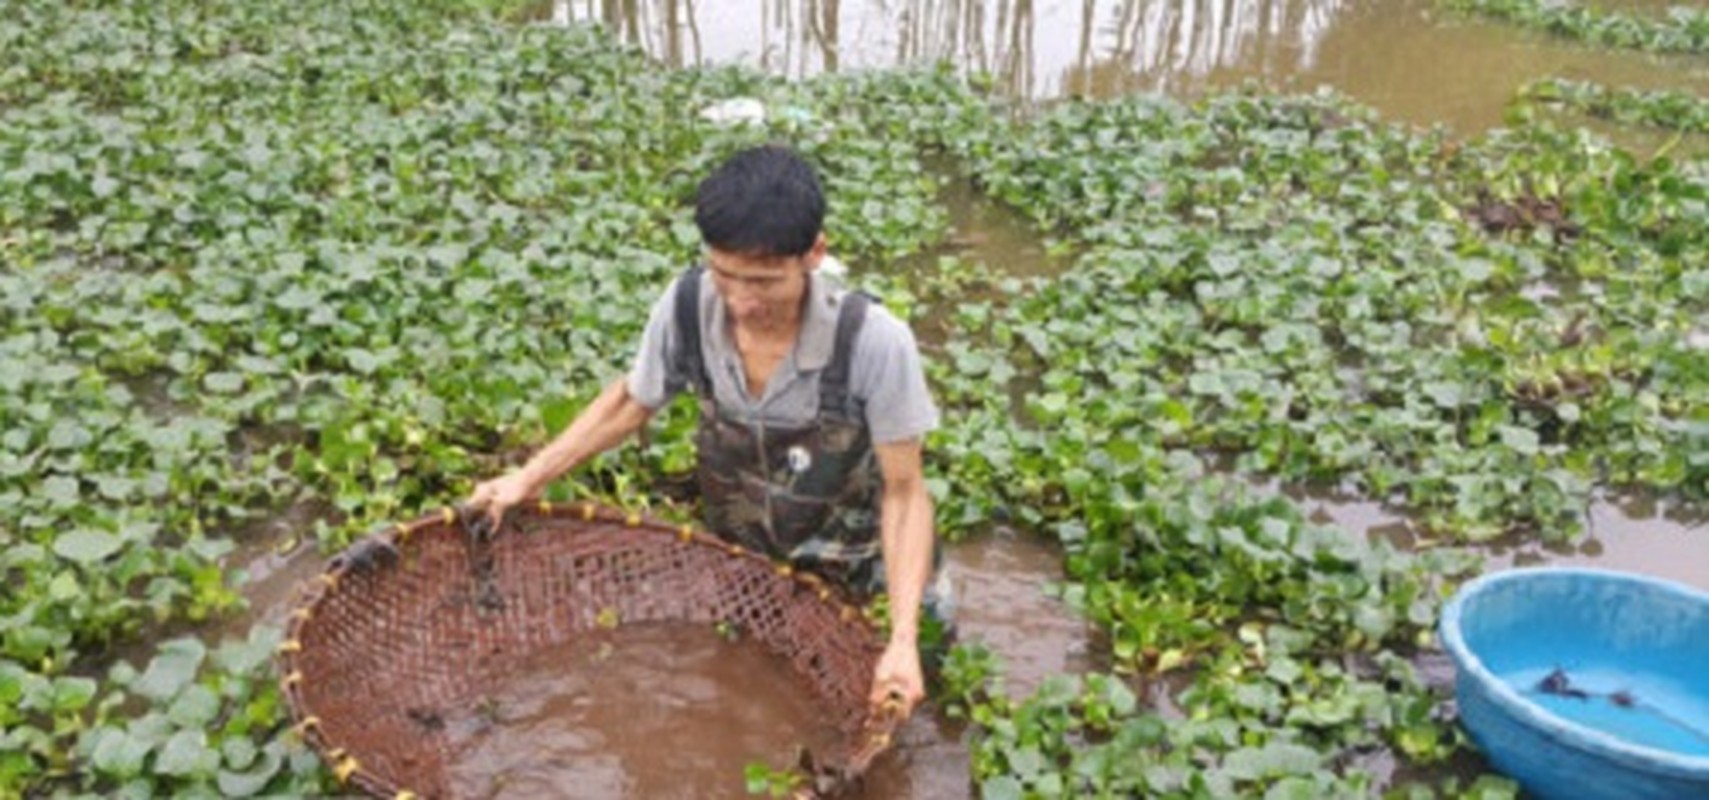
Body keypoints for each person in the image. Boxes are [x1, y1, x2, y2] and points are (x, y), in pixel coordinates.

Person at [466, 145, 945, 716]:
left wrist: (902, 638)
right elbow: (632, 401)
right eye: (725, 275)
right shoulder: (689, 305)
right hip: (746, 561)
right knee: (736, 694)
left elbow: (905, 491)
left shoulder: (873, 341)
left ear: (815, 254)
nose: (741, 302)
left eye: (764, 281)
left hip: (859, 565)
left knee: (910, 696)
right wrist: (529, 477)